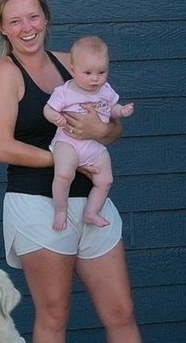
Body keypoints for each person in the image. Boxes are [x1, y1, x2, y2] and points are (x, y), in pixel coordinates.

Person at [0, 0, 181, 343]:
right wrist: (64, 157)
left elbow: (112, 130)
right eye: (15, 20)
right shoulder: (4, 74)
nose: (26, 27)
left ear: (46, 18)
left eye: (33, 17)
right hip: (37, 205)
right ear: (2, 28)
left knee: (121, 309)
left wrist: (97, 133)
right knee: (54, 315)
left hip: (91, 201)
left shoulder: (74, 62)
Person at [44, 35, 135, 232]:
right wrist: (55, 117)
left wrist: (122, 111)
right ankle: (61, 210)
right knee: (64, 173)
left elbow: (112, 110)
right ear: (73, 69)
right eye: (88, 73)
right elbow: (48, 109)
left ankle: (91, 212)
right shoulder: (65, 91)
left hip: (94, 145)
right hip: (68, 141)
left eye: (102, 72)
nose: (95, 78)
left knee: (106, 180)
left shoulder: (105, 90)